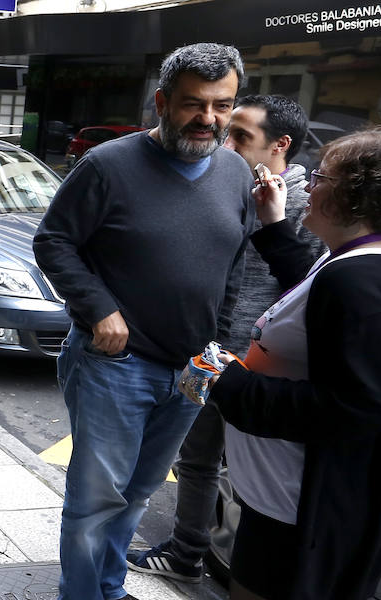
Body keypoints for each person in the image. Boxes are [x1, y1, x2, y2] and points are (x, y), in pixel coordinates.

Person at [33, 43, 254, 600]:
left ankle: (107, 588)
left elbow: (236, 266)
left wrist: (221, 345)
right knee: (96, 500)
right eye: (193, 104)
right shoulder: (107, 165)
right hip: (115, 365)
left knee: (138, 493)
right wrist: (98, 308)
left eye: (222, 105)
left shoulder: (234, 172)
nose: (208, 119)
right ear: (161, 102)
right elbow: (54, 242)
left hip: (191, 371)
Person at [208, 128, 381, 600]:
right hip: (284, 500)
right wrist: (275, 228)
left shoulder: (361, 282)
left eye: (321, 177)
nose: (310, 186)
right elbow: (314, 300)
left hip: (300, 510)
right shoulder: (366, 260)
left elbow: (364, 405)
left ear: (357, 197)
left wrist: (231, 384)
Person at [126, 94, 326, 583]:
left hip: (259, 366)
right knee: (196, 459)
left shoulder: (305, 207)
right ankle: (188, 552)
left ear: (281, 144)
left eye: (241, 136)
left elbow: (309, 285)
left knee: (243, 473)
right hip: (214, 354)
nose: (226, 141)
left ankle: (227, 561)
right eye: (228, 131)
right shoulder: (232, 187)